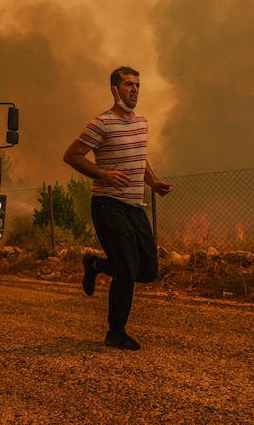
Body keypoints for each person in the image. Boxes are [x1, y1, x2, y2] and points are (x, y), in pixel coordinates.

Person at [63, 66, 173, 350]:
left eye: (137, 85)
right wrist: (103, 175)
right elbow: (72, 155)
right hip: (107, 203)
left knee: (147, 269)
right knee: (126, 268)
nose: (134, 90)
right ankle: (115, 332)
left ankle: (96, 264)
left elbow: (138, 158)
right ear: (114, 89)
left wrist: (153, 182)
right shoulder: (101, 123)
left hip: (135, 206)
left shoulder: (142, 123)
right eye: (128, 85)